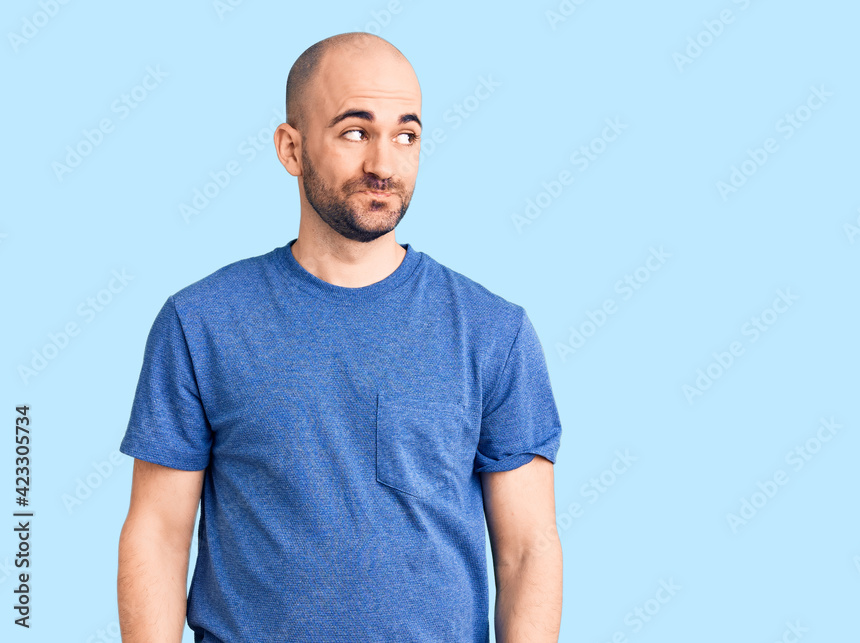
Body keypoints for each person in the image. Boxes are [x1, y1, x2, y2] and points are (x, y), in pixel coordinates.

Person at [116, 32, 563, 642]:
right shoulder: (201, 322)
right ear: (291, 148)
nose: (383, 163)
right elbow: (158, 536)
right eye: (356, 131)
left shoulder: (493, 331)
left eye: (406, 135)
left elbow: (529, 552)